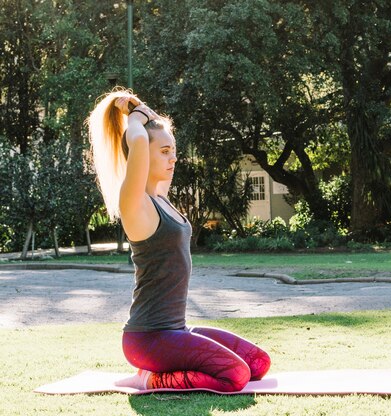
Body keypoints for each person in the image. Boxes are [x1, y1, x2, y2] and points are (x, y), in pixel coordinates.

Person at [88, 90, 271, 391]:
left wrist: (144, 110)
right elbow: (136, 141)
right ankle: (150, 378)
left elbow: (151, 132)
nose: (173, 158)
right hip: (148, 337)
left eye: (173, 150)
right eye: (163, 152)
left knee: (258, 363)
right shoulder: (136, 203)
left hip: (176, 331)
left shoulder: (162, 196)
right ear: (142, 155)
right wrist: (135, 117)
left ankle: (157, 370)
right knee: (235, 376)